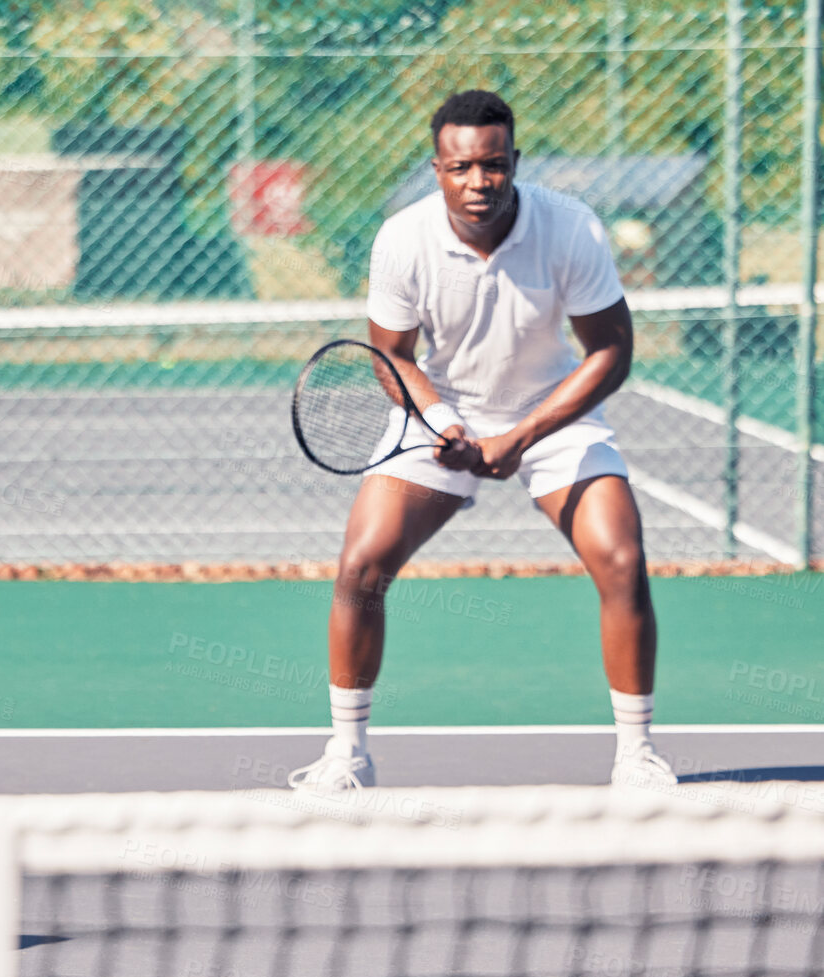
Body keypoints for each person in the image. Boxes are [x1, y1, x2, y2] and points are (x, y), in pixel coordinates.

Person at [287, 90, 673, 793]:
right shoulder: (401, 240)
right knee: (360, 565)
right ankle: (346, 754)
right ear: (437, 168)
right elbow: (392, 358)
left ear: (513, 162)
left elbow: (611, 351)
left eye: (492, 165)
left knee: (620, 557)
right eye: (461, 167)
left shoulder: (570, 228)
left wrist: (523, 435)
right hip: (441, 410)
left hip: (551, 412)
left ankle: (636, 755)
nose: (478, 182)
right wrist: (444, 426)